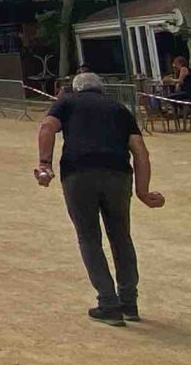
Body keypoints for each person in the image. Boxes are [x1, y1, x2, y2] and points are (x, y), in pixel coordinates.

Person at [34, 70, 164, 324]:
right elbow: (140, 152)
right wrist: (143, 191)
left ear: (76, 88)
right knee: (121, 237)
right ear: (101, 89)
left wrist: (44, 164)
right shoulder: (119, 109)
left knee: (88, 237)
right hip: (118, 174)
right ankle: (129, 302)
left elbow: (47, 126)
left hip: (78, 172)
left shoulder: (67, 102)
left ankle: (108, 303)